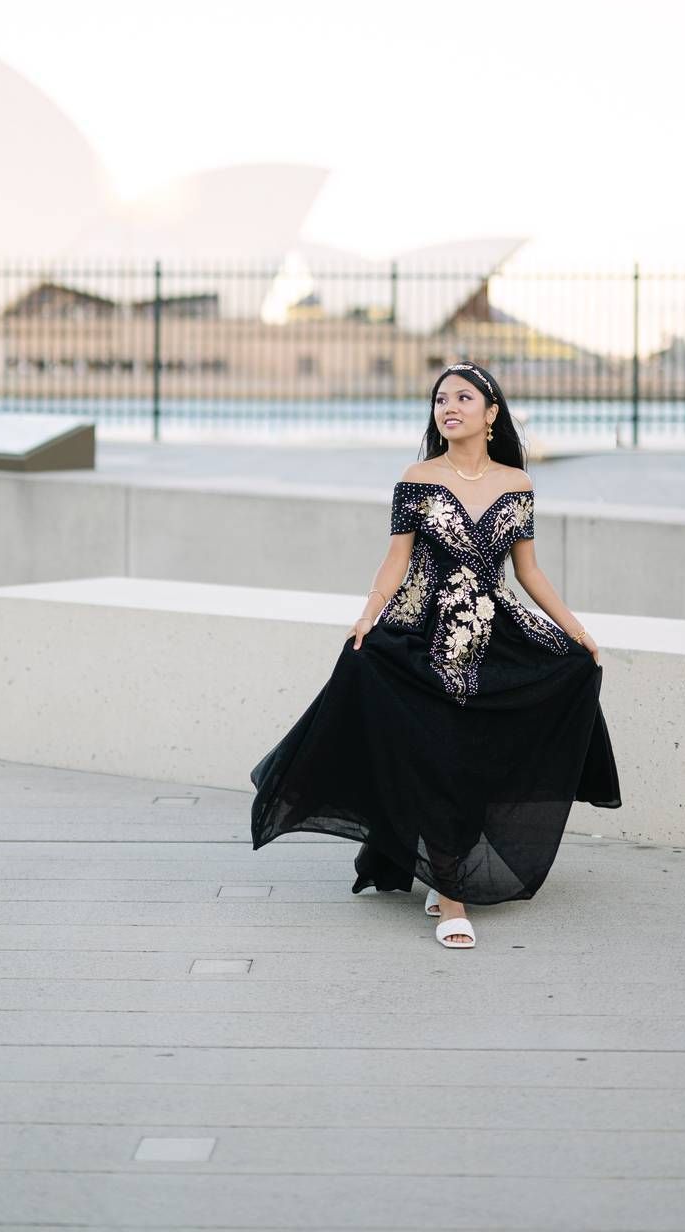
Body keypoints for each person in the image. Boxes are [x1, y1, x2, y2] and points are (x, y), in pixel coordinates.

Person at [248, 361, 621, 948]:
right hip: (421, 637)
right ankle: (451, 896)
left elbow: (527, 571)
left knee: (482, 751)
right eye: (441, 399)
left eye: (464, 398)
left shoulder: (517, 485)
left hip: (495, 636)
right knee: (439, 759)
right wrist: (368, 614)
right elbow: (396, 559)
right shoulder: (417, 478)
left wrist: (575, 630)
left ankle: (442, 865)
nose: (449, 407)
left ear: (491, 413)